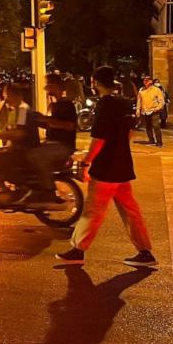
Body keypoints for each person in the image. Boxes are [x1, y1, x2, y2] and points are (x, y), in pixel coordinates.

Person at [57, 66, 157, 268]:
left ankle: (78, 249)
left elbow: (99, 139)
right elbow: (130, 134)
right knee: (130, 211)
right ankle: (145, 251)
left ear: (95, 82)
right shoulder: (124, 103)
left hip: (105, 168)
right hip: (122, 166)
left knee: (93, 210)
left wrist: (86, 161)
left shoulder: (104, 105)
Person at [0, 84, 41, 204]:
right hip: (15, 148)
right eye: (5, 96)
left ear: (16, 96)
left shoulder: (22, 110)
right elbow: (7, 130)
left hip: (25, 150)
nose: (5, 99)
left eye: (7, 96)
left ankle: (17, 191)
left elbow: (18, 133)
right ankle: (4, 190)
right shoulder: (13, 110)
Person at [32, 74, 77, 202]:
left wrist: (45, 119)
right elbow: (50, 125)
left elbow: (69, 126)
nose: (45, 89)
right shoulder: (53, 105)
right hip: (51, 144)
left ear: (55, 86)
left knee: (36, 156)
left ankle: (49, 192)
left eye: (47, 86)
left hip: (63, 146)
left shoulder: (67, 105)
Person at [136, 75, 164, 148]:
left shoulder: (156, 90)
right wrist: (138, 109)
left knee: (156, 126)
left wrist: (158, 108)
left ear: (150, 81)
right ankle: (151, 140)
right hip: (145, 111)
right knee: (148, 126)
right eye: (144, 80)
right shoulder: (141, 90)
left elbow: (161, 101)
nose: (145, 82)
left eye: (147, 80)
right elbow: (139, 100)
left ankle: (159, 142)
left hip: (154, 110)